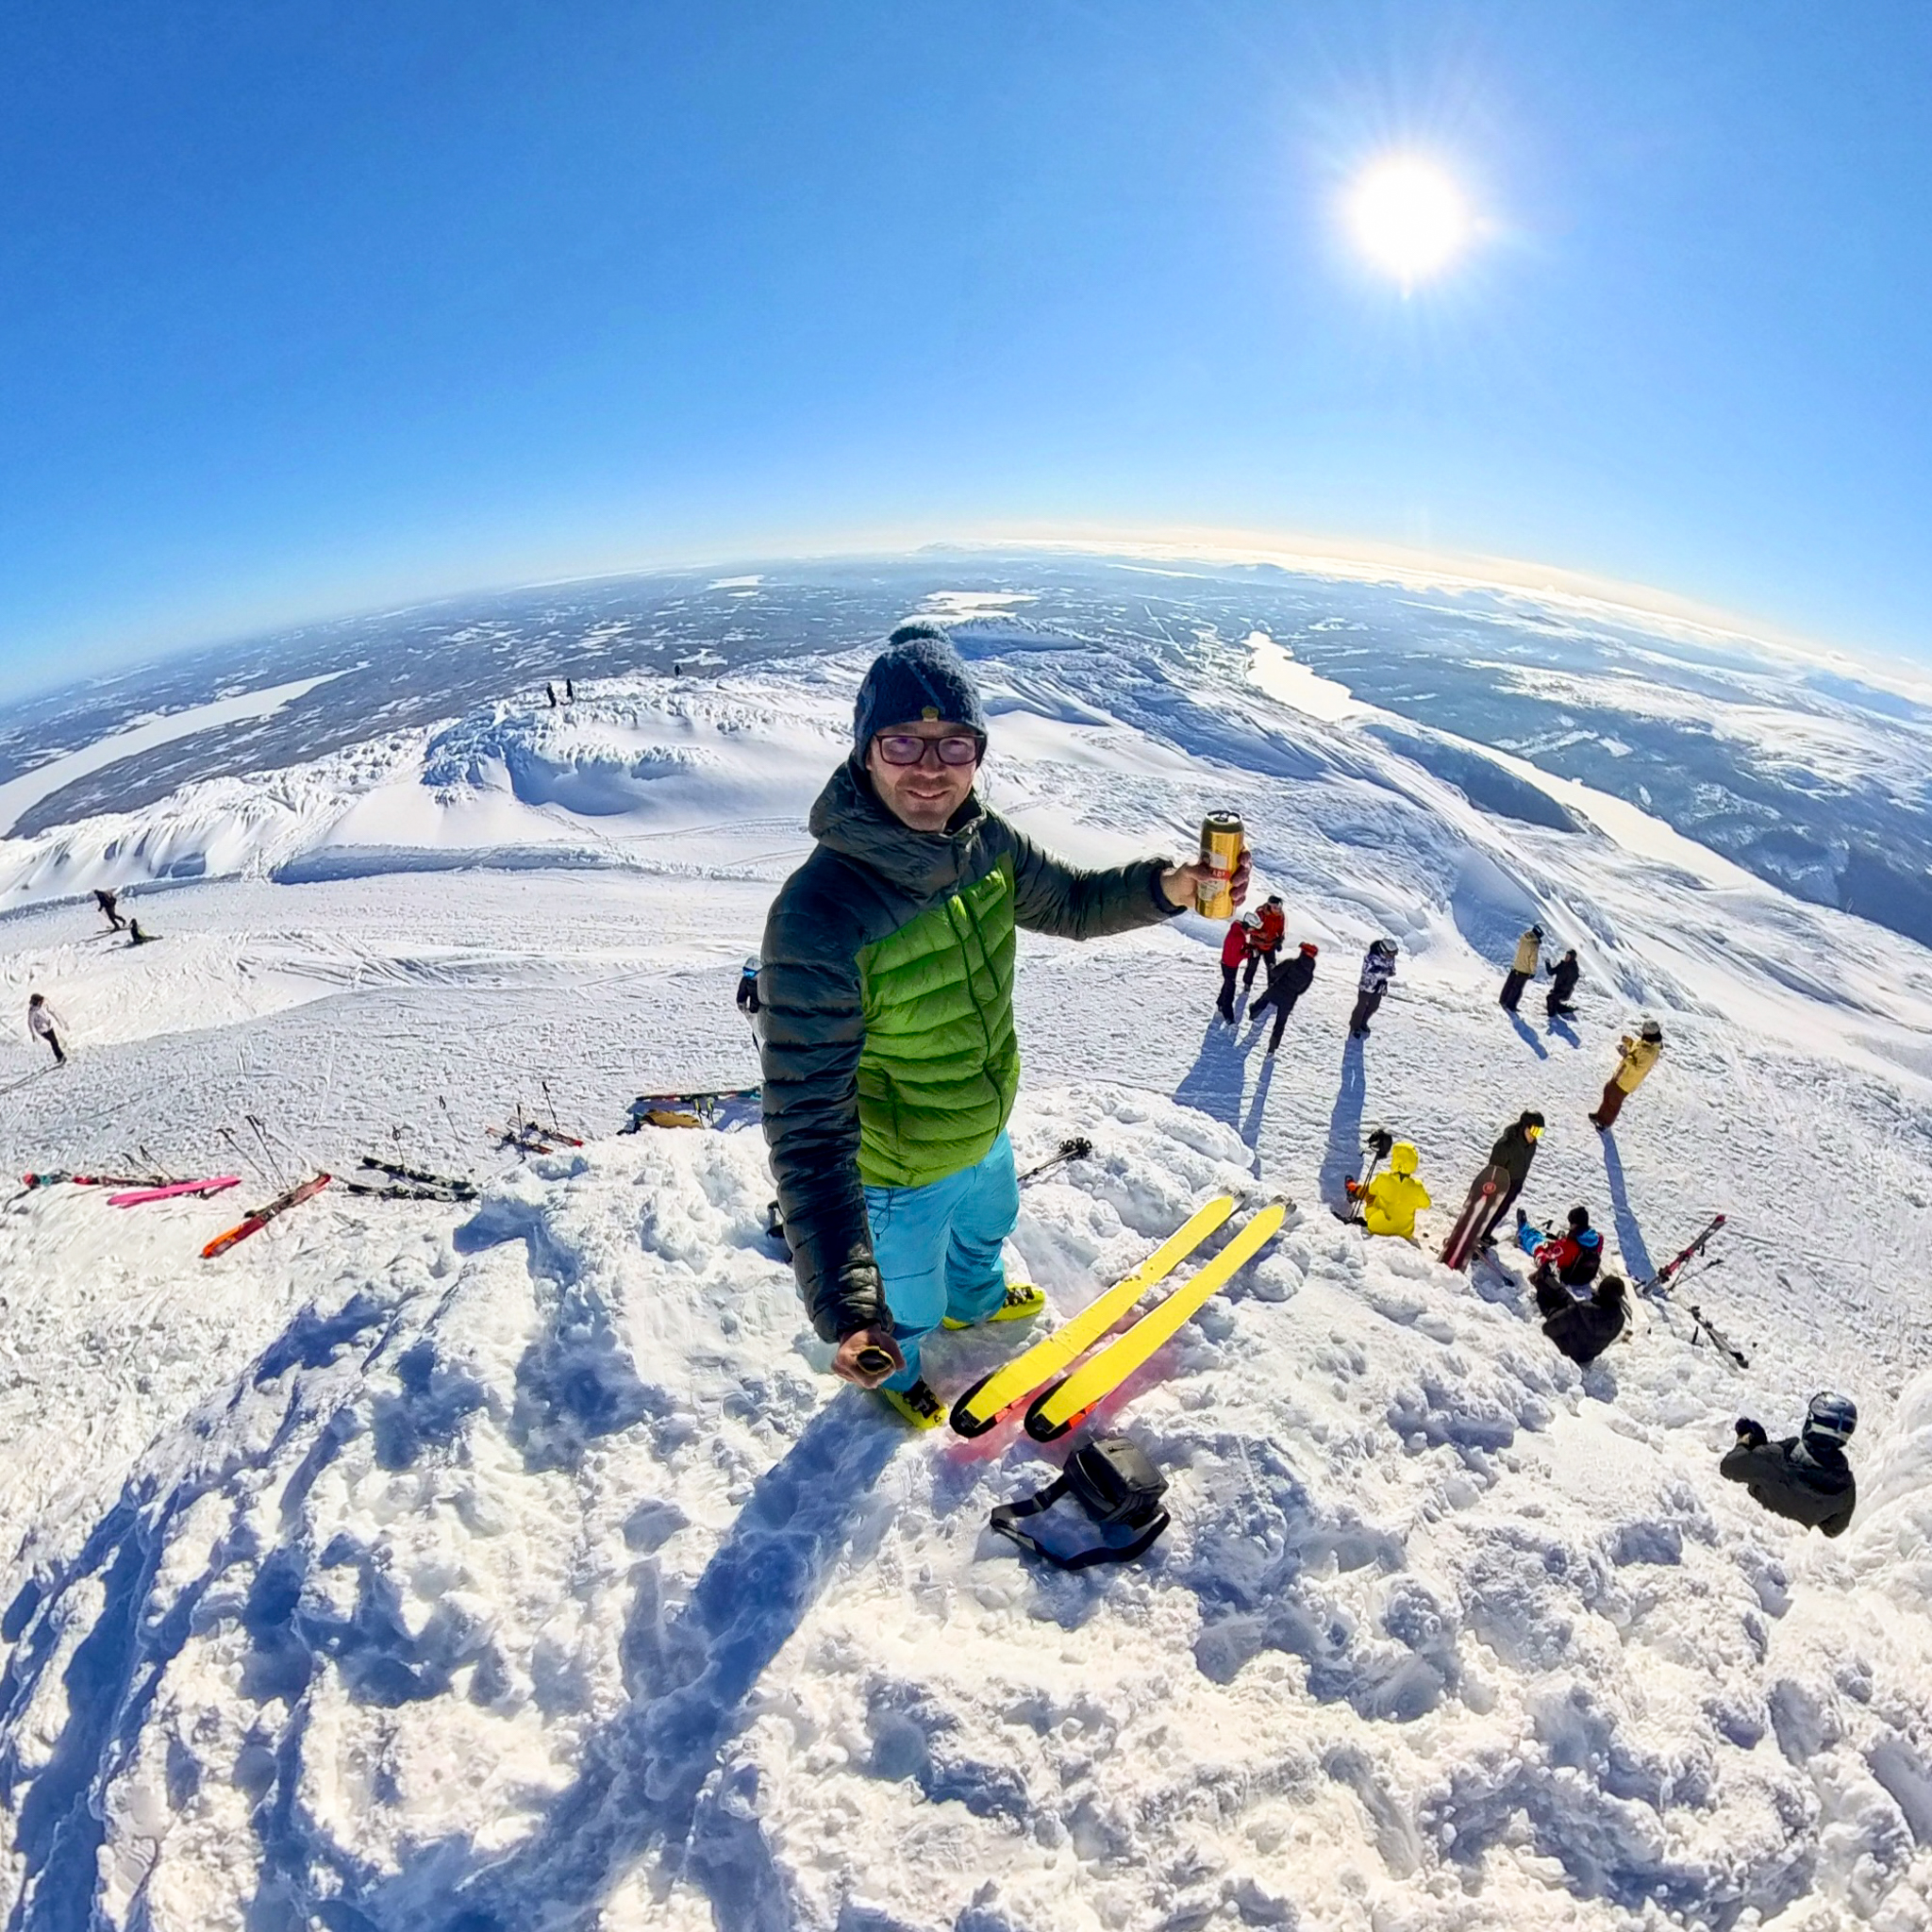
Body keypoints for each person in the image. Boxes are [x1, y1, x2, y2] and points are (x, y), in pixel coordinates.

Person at [760, 625, 1248, 1427]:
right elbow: (807, 1127)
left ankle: (976, 1302)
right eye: (902, 744)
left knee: (988, 1231)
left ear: (978, 753)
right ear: (863, 751)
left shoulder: (984, 843)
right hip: (898, 1173)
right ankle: (903, 1366)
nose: (929, 769)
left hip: (983, 1129)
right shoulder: (819, 914)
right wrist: (850, 1310)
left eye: (954, 744)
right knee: (904, 1301)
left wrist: (1174, 886)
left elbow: (1072, 902)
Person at [1720, 1394, 1857, 1538]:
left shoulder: (1777, 1457)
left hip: (1752, 1535)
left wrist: (1745, 1441)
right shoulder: (1846, 1489)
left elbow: (1729, 1466)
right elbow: (1832, 1531)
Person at [1466, 1110, 1544, 1250]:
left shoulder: (1531, 1145)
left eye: (1539, 1132)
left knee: (1500, 1212)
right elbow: (1494, 1168)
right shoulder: (1507, 1144)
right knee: (1489, 1209)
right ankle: (1474, 1236)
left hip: (1515, 1183)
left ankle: (1485, 1235)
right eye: (1534, 1130)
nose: (1535, 1135)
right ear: (1525, 1126)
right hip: (1501, 1183)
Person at [1536, 1274, 1626, 1365]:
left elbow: (1550, 1327)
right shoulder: (1620, 1320)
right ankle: (1547, 1278)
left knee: (1555, 1302)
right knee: (1567, 1300)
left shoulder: (1582, 1309)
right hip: (1586, 1356)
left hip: (1566, 1349)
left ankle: (1543, 1278)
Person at [1346, 1140, 1430, 1239]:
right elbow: (1426, 1204)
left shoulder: (1383, 1177)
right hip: (1404, 1232)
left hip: (1376, 1225)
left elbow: (1371, 1191)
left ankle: (1354, 1190)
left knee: (1369, 1193)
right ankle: (1355, 1190)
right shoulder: (1418, 1187)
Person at [1591, 1020, 1664, 1130]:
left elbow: (1638, 1070)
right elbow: (1636, 1051)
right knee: (1608, 1091)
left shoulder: (1650, 1053)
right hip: (1622, 1074)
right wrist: (1630, 1043)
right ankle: (1600, 1115)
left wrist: (1626, 1056)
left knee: (1614, 1101)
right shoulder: (1646, 1041)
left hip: (1627, 1081)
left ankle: (1605, 1123)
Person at [1250, 941, 1318, 1057]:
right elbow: (1302, 990)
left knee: (1264, 999)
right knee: (1281, 1022)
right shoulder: (1309, 975)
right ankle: (1273, 1045)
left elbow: (1275, 973)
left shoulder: (1291, 963)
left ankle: (1254, 1012)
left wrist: (1272, 967)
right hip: (1290, 998)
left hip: (1277, 990)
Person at [1516, 1205, 1603, 1291]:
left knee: (1537, 1242)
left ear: (1575, 1225)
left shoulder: (1570, 1246)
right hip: (1583, 1275)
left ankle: (1524, 1230)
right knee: (1552, 1241)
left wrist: (1541, 1250)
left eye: (1571, 1224)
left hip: (1567, 1271)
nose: (1570, 1226)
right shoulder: (1597, 1239)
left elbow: (1548, 1262)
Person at [1349, 939, 1398, 1037]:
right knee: (1361, 1006)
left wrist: (1389, 973)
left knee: (1374, 1006)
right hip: (1367, 986)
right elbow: (1369, 972)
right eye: (1390, 953)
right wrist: (1384, 973)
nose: (1392, 956)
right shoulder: (1371, 957)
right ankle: (1355, 1026)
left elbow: (1391, 969)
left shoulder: (1390, 958)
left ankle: (1363, 1022)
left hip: (1379, 986)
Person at [1218, 912, 1259, 1024]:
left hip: (1227, 963)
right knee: (1230, 988)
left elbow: (1240, 947)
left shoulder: (1237, 930)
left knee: (1227, 983)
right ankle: (1227, 1014)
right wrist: (1250, 954)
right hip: (1229, 965)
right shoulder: (1238, 936)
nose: (1252, 931)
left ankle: (1220, 1003)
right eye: (1252, 929)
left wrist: (1249, 948)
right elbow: (1236, 956)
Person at [1243, 895, 1286, 991]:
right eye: (1275, 907)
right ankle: (1247, 983)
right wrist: (1259, 933)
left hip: (1270, 945)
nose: (1277, 910)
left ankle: (1272, 986)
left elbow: (1281, 930)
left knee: (1272, 967)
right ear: (1270, 906)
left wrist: (1280, 940)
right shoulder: (1260, 913)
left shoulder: (1281, 916)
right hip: (1256, 944)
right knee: (1252, 965)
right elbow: (1250, 928)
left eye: (1279, 908)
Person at [1500, 924, 1543, 1011]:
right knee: (1517, 988)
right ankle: (1511, 1005)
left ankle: (1503, 1000)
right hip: (1524, 970)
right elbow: (1533, 960)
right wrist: (1533, 971)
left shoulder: (1523, 938)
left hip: (1516, 965)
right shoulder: (1534, 945)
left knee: (1509, 984)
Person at [26, 993, 64, 1065]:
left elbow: (48, 1011)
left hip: (49, 1027)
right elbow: (30, 1024)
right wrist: (34, 1034)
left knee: (55, 1041)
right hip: (42, 1030)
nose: (42, 1002)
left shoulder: (42, 1006)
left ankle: (59, 1054)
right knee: (53, 1042)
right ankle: (60, 1056)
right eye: (40, 1001)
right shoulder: (32, 1012)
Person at [1546, 948, 1581, 1019]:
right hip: (1557, 990)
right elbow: (1551, 972)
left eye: (1568, 956)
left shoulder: (1573, 969)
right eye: (1566, 955)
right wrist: (1547, 964)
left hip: (1565, 992)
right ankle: (1563, 1009)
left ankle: (1551, 1016)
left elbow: (1569, 984)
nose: (1566, 957)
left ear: (1572, 958)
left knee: (1550, 998)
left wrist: (1558, 990)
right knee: (1554, 1001)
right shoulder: (1562, 965)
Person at [736, 955, 761, 1019]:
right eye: (745, 972)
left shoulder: (768, 981)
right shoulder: (746, 981)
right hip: (754, 1012)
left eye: (750, 973)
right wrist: (741, 1003)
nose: (747, 976)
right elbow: (742, 992)